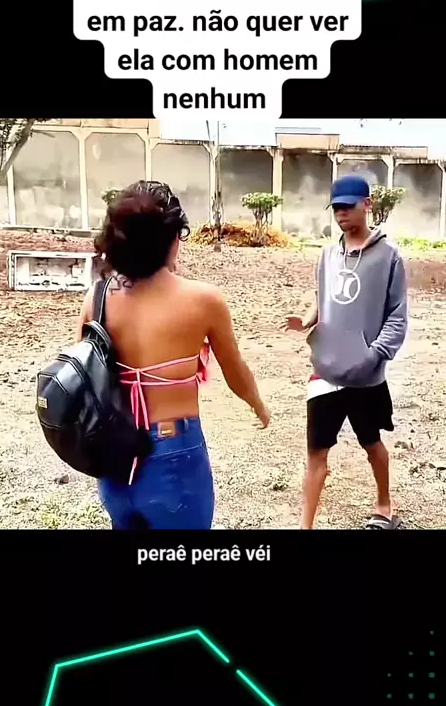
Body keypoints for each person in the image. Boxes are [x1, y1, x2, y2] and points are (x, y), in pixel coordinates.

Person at [76, 181, 270, 530]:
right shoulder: (203, 300)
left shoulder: (98, 295)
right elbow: (235, 370)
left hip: (114, 453)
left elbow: (81, 372)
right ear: (173, 239)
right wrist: (257, 404)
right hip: (173, 453)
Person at [285, 174, 408, 530]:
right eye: (336, 208)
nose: (340, 214)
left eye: (347, 207)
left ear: (367, 204)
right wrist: (306, 319)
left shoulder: (389, 257)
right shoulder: (328, 254)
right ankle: (305, 527)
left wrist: (374, 354)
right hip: (326, 369)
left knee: (371, 443)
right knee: (315, 452)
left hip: (366, 373)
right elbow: (323, 296)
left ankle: (384, 505)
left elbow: (397, 316)